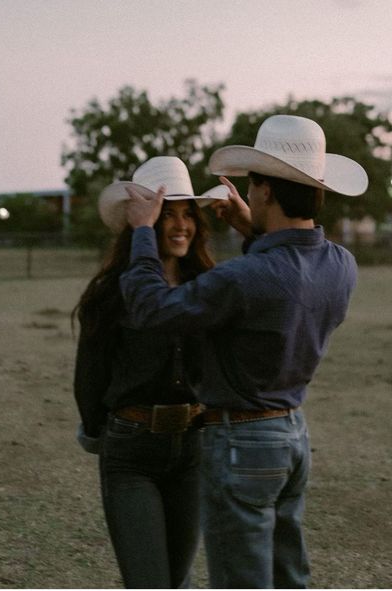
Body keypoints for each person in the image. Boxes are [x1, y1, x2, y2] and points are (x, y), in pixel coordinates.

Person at [119, 115, 369, 588]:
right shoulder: (342, 265)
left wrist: (143, 233)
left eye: (253, 186)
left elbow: (153, 308)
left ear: (266, 191)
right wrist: (255, 232)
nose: (248, 195)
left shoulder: (246, 277)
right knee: (286, 575)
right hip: (293, 434)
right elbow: (287, 272)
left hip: (242, 441)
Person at [72, 156, 226, 589]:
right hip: (131, 453)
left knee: (176, 581)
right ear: (143, 221)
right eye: (166, 215)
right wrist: (101, 431)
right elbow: (90, 377)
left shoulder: (209, 286)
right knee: (148, 582)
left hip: (193, 450)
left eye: (187, 215)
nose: (180, 226)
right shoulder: (110, 294)